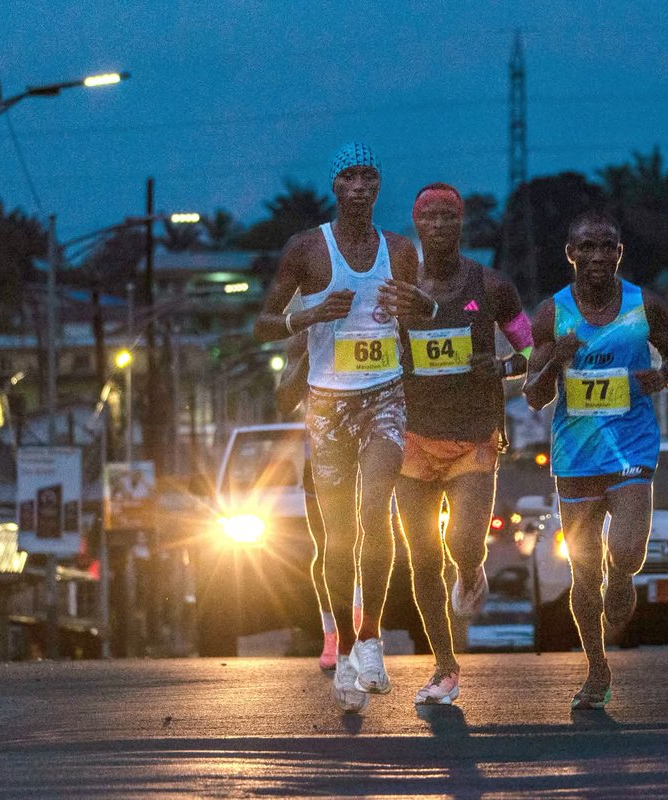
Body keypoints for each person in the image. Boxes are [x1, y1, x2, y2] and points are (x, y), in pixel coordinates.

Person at [254, 142, 436, 713]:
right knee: (337, 536)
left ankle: (370, 638)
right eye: (349, 177)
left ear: (379, 187)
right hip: (328, 403)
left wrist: (414, 305)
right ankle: (340, 639)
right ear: (335, 186)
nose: (359, 186)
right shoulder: (308, 248)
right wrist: (309, 315)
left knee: (376, 513)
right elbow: (263, 324)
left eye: (369, 177)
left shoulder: (400, 250)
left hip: (383, 396)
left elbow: (427, 314)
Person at [524, 210, 668, 709]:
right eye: (587, 247)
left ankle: (624, 575)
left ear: (620, 253)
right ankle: (596, 670)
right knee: (583, 571)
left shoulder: (645, 305)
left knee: (629, 550)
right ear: (570, 254)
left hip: (632, 445)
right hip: (575, 454)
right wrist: (556, 356)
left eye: (608, 247)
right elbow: (533, 395)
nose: (598, 256)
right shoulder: (551, 315)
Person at [395, 183, 533, 705]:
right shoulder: (399, 289)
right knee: (422, 558)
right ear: (416, 224)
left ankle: (471, 567)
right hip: (411, 437)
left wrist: (498, 368)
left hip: (473, 436)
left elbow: (532, 352)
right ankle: (445, 667)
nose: (438, 225)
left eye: (448, 216)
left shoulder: (491, 286)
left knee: (462, 544)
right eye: (428, 216)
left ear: (462, 223)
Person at [274, 327, 341, 673]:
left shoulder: (381, 308)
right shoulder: (304, 333)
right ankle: (332, 634)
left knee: (368, 545)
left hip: (377, 448)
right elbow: (285, 399)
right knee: (328, 550)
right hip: (323, 460)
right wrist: (310, 355)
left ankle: (365, 634)